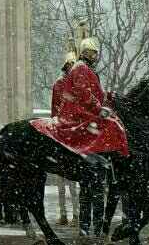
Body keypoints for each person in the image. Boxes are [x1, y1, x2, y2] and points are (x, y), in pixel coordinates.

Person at [30, 33, 129, 163]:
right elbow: (83, 92)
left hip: (84, 110)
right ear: (85, 53)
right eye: (91, 53)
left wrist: (109, 97)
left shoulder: (84, 68)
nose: (94, 57)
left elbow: (94, 91)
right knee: (111, 124)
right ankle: (100, 157)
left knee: (112, 120)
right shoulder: (80, 67)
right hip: (79, 112)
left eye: (95, 53)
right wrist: (98, 108)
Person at [51, 42, 78, 223]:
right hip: (63, 130)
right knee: (62, 182)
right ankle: (64, 213)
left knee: (72, 183)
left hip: (74, 130)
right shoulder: (60, 84)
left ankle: (75, 213)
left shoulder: (75, 83)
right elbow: (55, 109)